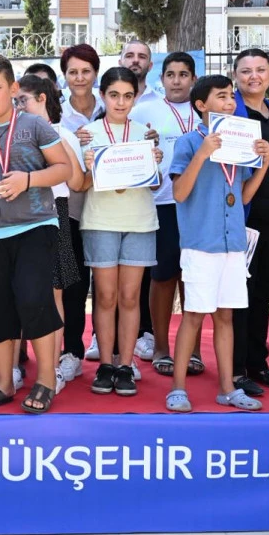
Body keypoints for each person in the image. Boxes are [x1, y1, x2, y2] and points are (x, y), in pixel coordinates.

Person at [0, 53, 71, 413]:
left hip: (37, 226)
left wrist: (28, 180)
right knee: (0, 308)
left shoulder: (35, 125)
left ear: (13, 88)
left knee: (34, 299)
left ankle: (46, 380)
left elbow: (64, 168)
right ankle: (4, 383)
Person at [165, 76, 269, 413]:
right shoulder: (188, 143)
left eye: (231, 97)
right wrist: (203, 153)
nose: (229, 102)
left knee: (225, 317)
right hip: (201, 243)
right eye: (222, 96)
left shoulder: (239, 142)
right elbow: (179, 193)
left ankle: (228, 388)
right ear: (201, 105)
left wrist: (265, 164)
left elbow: (243, 197)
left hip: (233, 244)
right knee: (194, 316)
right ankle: (178, 388)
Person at [78, 67, 162, 397]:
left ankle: (125, 365)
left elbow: (154, 184)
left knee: (129, 297)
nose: (121, 102)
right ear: (102, 95)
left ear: (136, 97)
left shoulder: (145, 133)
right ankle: (105, 365)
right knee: (105, 296)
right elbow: (80, 185)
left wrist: (154, 162)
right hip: (101, 220)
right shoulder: (88, 134)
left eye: (128, 96)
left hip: (139, 221)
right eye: (114, 95)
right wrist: (89, 166)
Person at [132, 52, 203, 377]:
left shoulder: (206, 110)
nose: (177, 81)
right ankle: (160, 346)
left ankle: (194, 350)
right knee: (163, 277)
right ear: (161, 79)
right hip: (162, 203)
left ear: (193, 79)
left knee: (194, 279)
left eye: (183, 74)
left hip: (200, 206)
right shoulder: (144, 110)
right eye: (171, 74)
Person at [16, 73, 86, 393]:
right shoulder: (13, 133)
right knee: (22, 291)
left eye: (23, 100)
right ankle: (17, 364)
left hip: (55, 213)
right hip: (19, 215)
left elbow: (77, 183)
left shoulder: (62, 133)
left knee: (55, 292)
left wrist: (61, 144)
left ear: (42, 99)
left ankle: (54, 367)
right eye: (16, 101)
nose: (18, 106)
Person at [231, 48, 269, 396]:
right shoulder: (231, 113)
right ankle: (237, 368)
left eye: (260, 69)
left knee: (264, 292)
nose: (253, 76)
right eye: (245, 71)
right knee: (242, 292)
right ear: (235, 76)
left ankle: (257, 362)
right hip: (246, 216)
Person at [59, 44, 103, 364]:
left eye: (86, 71)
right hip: (69, 207)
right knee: (73, 282)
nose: (79, 77)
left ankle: (105, 341)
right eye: (73, 72)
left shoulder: (112, 104)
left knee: (107, 281)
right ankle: (72, 348)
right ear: (64, 75)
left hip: (107, 205)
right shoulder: (58, 114)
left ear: (96, 73)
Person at [118, 39, 159, 358]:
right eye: (129, 55)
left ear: (150, 64)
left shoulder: (158, 103)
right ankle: (101, 339)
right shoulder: (101, 114)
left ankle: (143, 334)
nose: (135, 60)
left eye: (141, 56)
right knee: (104, 286)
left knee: (140, 282)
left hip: (149, 205)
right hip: (103, 211)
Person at [120, 39, 157, 105]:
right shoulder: (103, 101)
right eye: (129, 56)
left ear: (150, 66)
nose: (136, 60)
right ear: (120, 63)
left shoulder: (161, 101)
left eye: (142, 57)